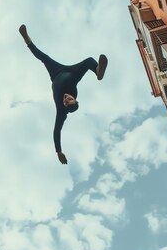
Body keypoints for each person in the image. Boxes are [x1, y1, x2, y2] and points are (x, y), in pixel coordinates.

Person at [19, 24, 107, 165]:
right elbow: (58, 130)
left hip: (55, 74)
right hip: (71, 72)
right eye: (70, 99)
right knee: (89, 60)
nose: (66, 98)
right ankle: (98, 72)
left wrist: (58, 151)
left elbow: (56, 130)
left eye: (66, 101)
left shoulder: (61, 111)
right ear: (76, 100)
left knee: (44, 58)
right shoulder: (72, 85)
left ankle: (26, 39)